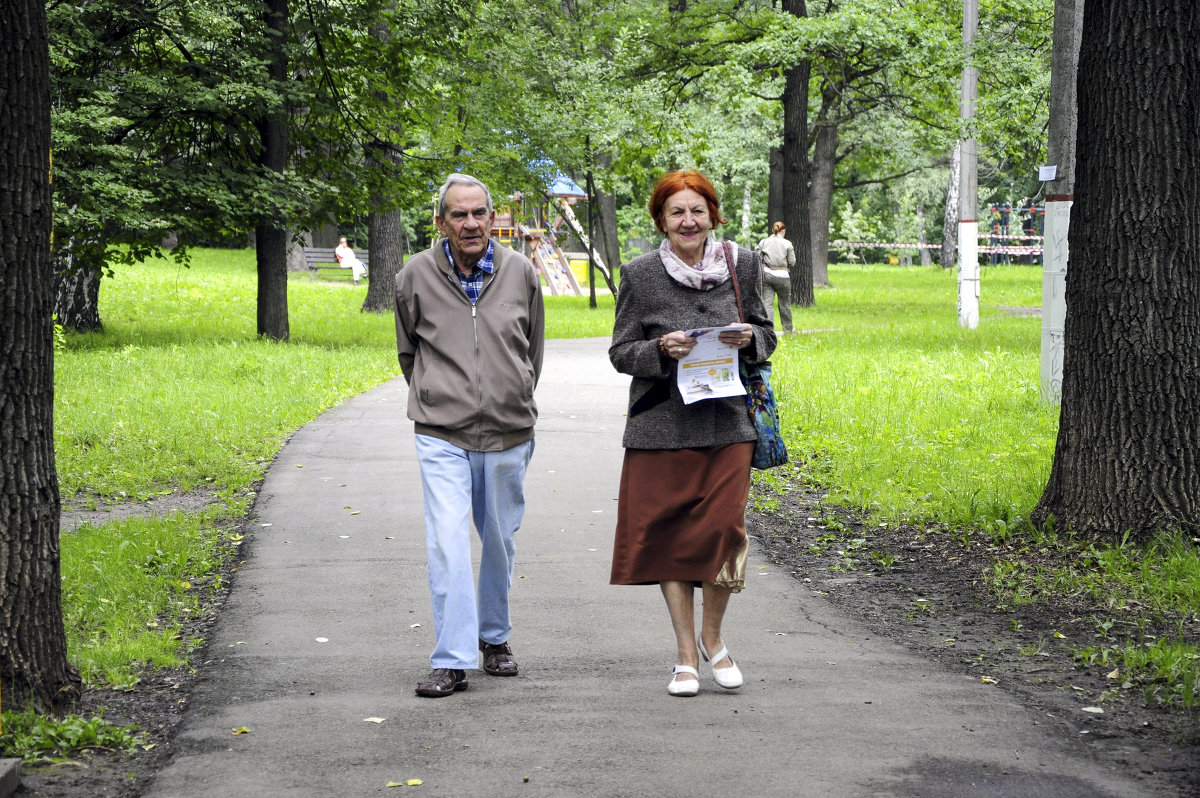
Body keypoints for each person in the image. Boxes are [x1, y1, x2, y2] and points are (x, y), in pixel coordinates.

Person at [609, 169, 777, 697]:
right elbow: (619, 353)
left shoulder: (741, 264)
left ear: (712, 215)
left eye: (697, 210)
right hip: (661, 426)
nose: (688, 220)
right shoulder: (638, 275)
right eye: (676, 212)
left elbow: (768, 335)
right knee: (671, 538)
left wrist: (750, 337)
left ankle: (714, 638)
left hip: (728, 422)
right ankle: (685, 656)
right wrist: (660, 350)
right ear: (661, 219)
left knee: (726, 530)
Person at [393, 173, 546, 698]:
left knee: (499, 541)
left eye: (479, 212)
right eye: (458, 214)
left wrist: (516, 392)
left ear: (493, 217)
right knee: (448, 542)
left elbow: (533, 350)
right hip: (442, 433)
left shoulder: (521, 271)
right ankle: (452, 658)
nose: (471, 223)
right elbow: (408, 353)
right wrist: (437, 396)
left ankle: (495, 640)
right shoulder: (414, 275)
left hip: (509, 430)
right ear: (441, 223)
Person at [755, 221, 795, 333]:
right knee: (785, 304)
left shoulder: (764, 242)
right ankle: (788, 330)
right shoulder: (787, 244)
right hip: (783, 277)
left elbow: (757, 257)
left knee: (767, 304)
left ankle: (768, 331)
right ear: (783, 231)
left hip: (767, 275)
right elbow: (792, 262)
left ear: (772, 230)